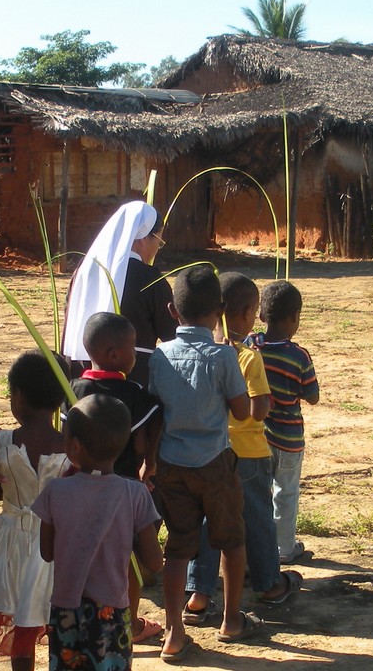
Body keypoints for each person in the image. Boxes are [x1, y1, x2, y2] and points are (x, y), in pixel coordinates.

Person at [146, 265, 255, 662]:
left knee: (178, 548)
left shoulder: (159, 356)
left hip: (172, 464)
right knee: (231, 538)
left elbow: (156, 410)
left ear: (173, 311)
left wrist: (149, 462)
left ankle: (174, 632)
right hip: (214, 463)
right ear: (221, 310)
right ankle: (230, 620)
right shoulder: (224, 356)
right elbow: (242, 412)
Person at [185, 273, 301, 625]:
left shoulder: (200, 354)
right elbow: (259, 408)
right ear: (249, 312)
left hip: (207, 453)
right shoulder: (248, 358)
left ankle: (199, 593)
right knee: (258, 520)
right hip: (248, 453)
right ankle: (269, 583)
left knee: (207, 520)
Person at [34, 395, 163, 671]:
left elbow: (46, 553)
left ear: (75, 446)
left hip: (65, 611)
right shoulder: (135, 494)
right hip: (112, 612)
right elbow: (155, 562)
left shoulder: (54, 492)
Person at [0, 350, 72, 671]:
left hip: (12, 546)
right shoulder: (73, 448)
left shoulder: (1, 442)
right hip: (57, 548)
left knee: (21, 625)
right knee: (59, 621)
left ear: (18, 397)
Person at [69, 312, 164, 644]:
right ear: (112, 354)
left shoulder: (74, 388)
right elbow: (150, 430)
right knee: (129, 561)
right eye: (131, 348)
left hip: (79, 489)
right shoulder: (133, 393)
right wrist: (149, 462)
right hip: (122, 488)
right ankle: (130, 624)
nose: (135, 354)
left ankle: (74, 622)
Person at [62, 201, 176, 387]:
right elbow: (172, 333)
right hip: (133, 383)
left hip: (81, 379)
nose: (157, 248)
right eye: (159, 241)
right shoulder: (150, 278)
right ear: (143, 238)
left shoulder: (84, 269)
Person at [249, 280, 320, 566]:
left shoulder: (251, 347)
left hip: (259, 438)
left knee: (259, 494)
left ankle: (259, 545)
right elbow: (312, 396)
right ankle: (285, 547)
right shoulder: (299, 356)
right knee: (286, 494)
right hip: (289, 440)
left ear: (262, 316)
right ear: (295, 318)